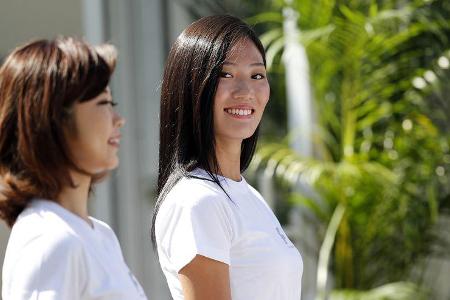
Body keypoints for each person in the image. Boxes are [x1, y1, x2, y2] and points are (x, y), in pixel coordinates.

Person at [152, 15, 303, 300]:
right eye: (226, 75)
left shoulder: (246, 195)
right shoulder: (197, 201)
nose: (246, 92)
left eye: (257, 75)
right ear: (192, 87)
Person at [0, 37, 148, 300]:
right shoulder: (50, 240)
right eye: (103, 103)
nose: (119, 119)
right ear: (52, 120)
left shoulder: (99, 234)